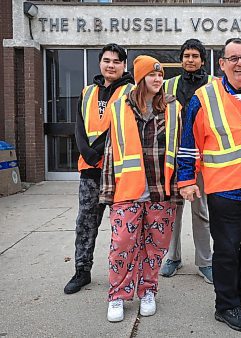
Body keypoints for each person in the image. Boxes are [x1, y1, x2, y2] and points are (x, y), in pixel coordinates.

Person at [177, 38, 241, 332]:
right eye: (232, 58)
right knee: (226, 250)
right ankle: (225, 305)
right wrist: (186, 179)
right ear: (221, 64)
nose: (239, 63)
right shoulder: (203, 97)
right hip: (225, 190)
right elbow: (188, 142)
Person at [99, 55, 182, 322]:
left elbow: (179, 150)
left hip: (161, 190)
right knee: (122, 243)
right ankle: (117, 295)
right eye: (152, 74)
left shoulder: (172, 107)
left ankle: (148, 290)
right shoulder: (120, 108)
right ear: (140, 78)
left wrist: (179, 189)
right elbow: (111, 152)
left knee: (156, 247)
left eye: (160, 74)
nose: (158, 79)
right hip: (128, 191)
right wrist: (108, 192)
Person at [64, 43, 134, 295]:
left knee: (123, 228)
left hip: (119, 173)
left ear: (124, 65)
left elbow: (121, 127)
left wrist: (98, 151)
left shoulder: (131, 92)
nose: (111, 65)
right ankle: (82, 271)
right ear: (100, 63)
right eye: (107, 60)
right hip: (90, 171)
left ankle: (122, 272)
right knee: (86, 224)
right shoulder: (87, 92)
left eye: (116, 61)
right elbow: (79, 126)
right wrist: (88, 153)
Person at [160, 39, 213, 284]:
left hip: (201, 158)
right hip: (174, 156)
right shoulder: (168, 85)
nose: (190, 60)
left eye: (194, 56)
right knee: (173, 210)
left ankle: (205, 262)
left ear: (203, 59)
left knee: (201, 212)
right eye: (186, 56)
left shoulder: (214, 85)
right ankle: (172, 257)